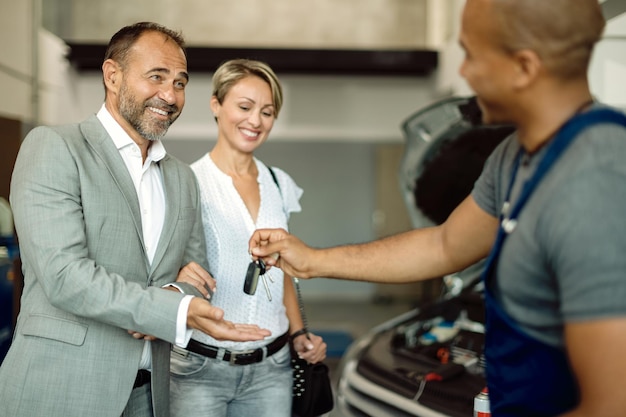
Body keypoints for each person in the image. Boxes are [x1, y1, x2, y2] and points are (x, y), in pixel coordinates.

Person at [249, 1, 626, 416]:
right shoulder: (514, 155)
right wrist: (312, 261)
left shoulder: (597, 176)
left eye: (472, 55)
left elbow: (611, 405)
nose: (462, 72)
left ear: (524, 67)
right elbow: (444, 245)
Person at [0, 22, 271, 417]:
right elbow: (64, 276)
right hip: (60, 388)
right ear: (113, 75)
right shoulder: (55, 148)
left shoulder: (182, 178)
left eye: (180, 82)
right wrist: (168, 310)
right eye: (156, 77)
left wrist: (177, 295)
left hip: (150, 396)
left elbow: (200, 276)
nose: (170, 94)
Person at [169, 59, 326, 417]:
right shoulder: (188, 183)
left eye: (267, 112)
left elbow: (281, 270)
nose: (255, 121)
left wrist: (300, 333)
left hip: (272, 368)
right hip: (200, 367)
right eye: (244, 107)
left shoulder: (278, 183)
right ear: (216, 105)